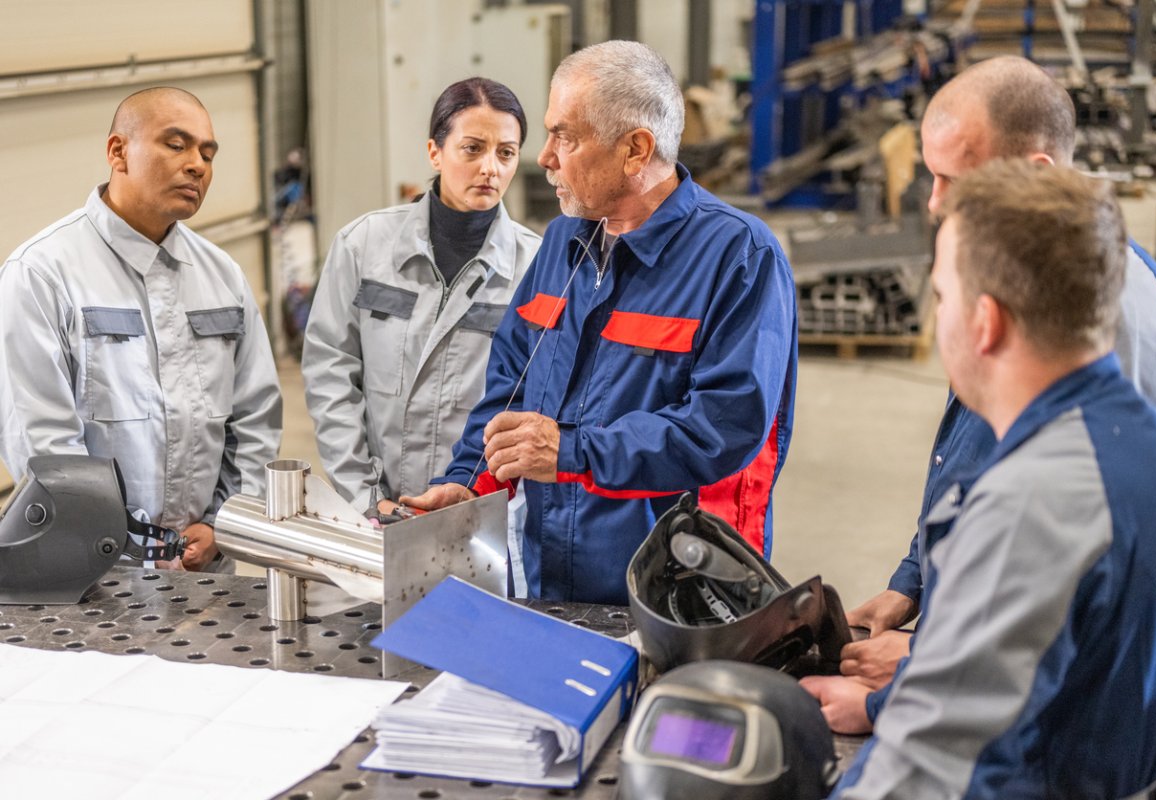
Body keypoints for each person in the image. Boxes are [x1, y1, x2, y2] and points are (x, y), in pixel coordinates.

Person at [805, 159, 1156, 797]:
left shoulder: (1038, 503)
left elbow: (923, 777)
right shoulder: (1146, 442)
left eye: (941, 296)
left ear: (985, 322)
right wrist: (885, 703)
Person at [837, 56, 1156, 713]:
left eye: (953, 177)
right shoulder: (1020, 280)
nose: (935, 201)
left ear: (1034, 173)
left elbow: (1081, 603)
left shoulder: (1119, 330)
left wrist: (916, 670)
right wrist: (916, 581)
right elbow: (979, 463)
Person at [394, 40, 799, 605]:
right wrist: (468, 485)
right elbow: (512, 386)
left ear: (635, 150)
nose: (546, 158)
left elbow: (723, 426)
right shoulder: (566, 241)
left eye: (567, 136)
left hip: (679, 591)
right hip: (553, 574)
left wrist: (571, 450)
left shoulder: (739, 256)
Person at [0, 87, 282, 571]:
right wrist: (125, 544)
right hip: (93, 568)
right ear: (118, 152)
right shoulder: (42, 273)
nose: (197, 164)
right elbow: (42, 440)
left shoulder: (222, 277)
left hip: (205, 566)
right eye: (176, 144)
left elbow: (255, 416)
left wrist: (223, 522)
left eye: (207, 153)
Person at [301, 78, 540, 588]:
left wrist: (476, 493)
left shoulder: (535, 268)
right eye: (472, 149)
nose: (490, 168)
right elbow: (330, 374)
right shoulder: (364, 246)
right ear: (434, 150)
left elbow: (533, 404)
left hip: (482, 518)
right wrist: (365, 496)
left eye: (506, 152)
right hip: (369, 511)